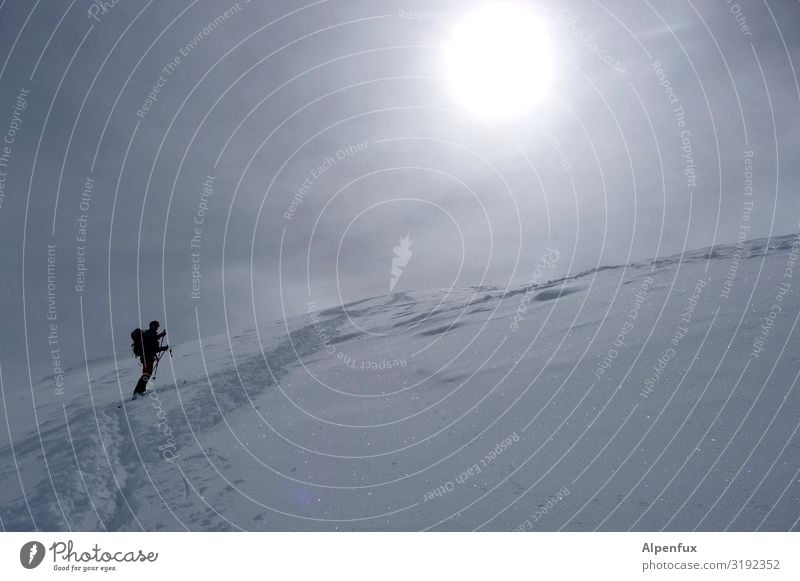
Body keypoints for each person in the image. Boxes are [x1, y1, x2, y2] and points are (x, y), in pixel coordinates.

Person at [133, 320, 169, 398]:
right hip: (148, 358)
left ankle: (140, 391)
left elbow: (153, 340)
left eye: (157, 326)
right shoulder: (150, 334)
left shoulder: (148, 334)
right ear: (152, 326)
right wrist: (164, 348)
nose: (157, 327)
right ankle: (137, 392)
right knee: (146, 374)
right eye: (156, 325)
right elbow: (154, 348)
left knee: (146, 374)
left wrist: (161, 335)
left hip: (146, 358)